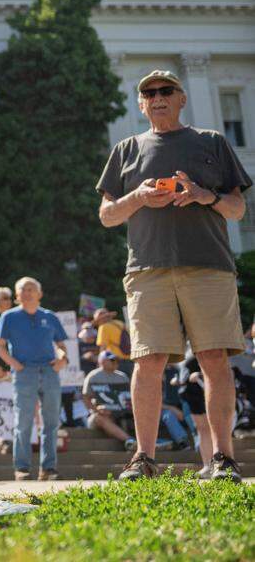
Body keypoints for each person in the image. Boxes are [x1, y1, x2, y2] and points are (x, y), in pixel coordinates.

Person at [97, 69, 251, 482]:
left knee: (214, 359)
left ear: (182, 99)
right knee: (146, 361)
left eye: (167, 90)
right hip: (147, 270)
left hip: (209, 266)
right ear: (141, 104)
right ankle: (143, 459)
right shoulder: (127, 149)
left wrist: (204, 195)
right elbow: (107, 215)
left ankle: (222, 459)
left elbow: (238, 209)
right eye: (149, 92)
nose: (158, 97)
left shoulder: (212, 143)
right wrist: (138, 196)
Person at [0, 276, 68, 480]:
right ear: (17, 295)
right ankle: (22, 468)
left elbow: (61, 346)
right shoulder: (8, 317)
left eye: (31, 289)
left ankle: (48, 468)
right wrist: (13, 363)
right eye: (23, 289)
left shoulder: (50, 316)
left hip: (50, 371)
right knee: (24, 421)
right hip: (24, 372)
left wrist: (63, 359)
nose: (27, 292)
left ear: (40, 293)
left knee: (52, 422)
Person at [82, 351, 135, 450]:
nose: (116, 363)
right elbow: (86, 398)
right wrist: (97, 410)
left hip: (120, 414)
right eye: (112, 360)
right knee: (99, 417)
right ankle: (130, 440)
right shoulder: (93, 376)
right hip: (99, 415)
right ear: (102, 361)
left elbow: (128, 398)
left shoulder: (123, 377)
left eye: (117, 360)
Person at [175, 350, 214, 478]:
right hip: (190, 395)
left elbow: (220, 369)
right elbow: (184, 370)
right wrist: (179, 380)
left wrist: (201, 374)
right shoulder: (185, 349)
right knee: (201, 429)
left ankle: (216, 464)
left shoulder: (205, 345)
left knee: (210, 428)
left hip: (204, 393)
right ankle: (207, 465)